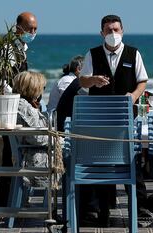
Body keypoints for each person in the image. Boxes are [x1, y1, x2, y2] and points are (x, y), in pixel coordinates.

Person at [78, 14, 150, 226]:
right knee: (97, 162)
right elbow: (82, 80)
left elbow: (142, 81)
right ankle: (96, 212)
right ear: (102, 33)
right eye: (108, 30)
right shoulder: (92, 54)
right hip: (98, 120)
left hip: (126, 120)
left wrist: (133, 97)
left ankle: (142, 211)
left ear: (122, 31)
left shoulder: (133, 53)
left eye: (116, 30)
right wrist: (93, 80)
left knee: (131, 163)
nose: (113, 34)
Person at [0, 11, 38, 207]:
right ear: (18, 28)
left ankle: (9, 199)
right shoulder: (8, 49)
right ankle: (2, 201)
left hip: (18, 109)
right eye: (29, 29)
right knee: (11, 155)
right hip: (10, 110)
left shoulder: (21, 48)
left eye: (35, 29)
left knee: (13, 156)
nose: (32, 32)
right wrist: (10, 94)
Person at [12, 71, 49, 187]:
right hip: (33, 156)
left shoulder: (20, 103)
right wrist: (56, 138)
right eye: (42, 87)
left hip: (30, 151)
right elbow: (38, 137)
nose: (43, 90)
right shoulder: (25, 107)